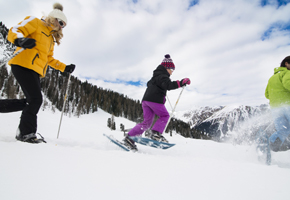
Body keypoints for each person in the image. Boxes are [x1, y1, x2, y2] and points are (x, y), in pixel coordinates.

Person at [6, 3, 76, 143]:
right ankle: (26, 133)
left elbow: (49, 59)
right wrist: (20, 40)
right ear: (54, 18)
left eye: (64, 25)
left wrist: (64, 67)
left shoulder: (50, 39)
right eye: (61, 22)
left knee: (30, 102)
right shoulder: (35, 22)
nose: (61, 26)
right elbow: (15, 30)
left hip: (35, 71)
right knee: (36, 100)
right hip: (22, 64)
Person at [123, 54, 190, 150]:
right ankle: (155, 134)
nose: (172, 72)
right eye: (172, 69)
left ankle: (129, 139)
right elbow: (168, 85)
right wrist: (181, 82)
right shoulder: (162, 76)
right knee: (165, 115)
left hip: (146, 101)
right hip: (154, 100)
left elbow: (151, 84)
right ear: (167, 67)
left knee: (147, 123)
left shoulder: (156, 76)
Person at [265, 56, 290, 151]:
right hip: (288, 105)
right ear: (286, 64)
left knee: (283, 130)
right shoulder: (287, 73)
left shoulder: (272, 78)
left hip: (275, 109)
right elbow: (288, 84)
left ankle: (269, 145)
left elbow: (267, 94)